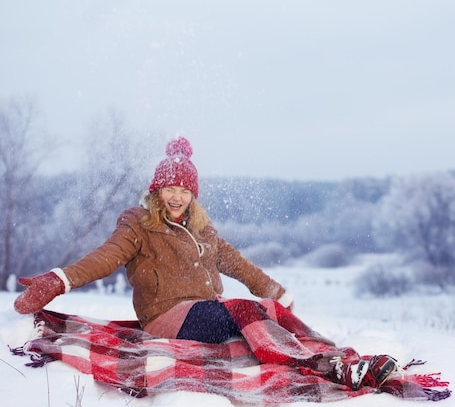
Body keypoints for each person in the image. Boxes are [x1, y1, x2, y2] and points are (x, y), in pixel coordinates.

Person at [14, 136, 399, 391]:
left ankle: (337, 359)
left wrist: (275, 292)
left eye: (184, 190)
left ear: (192, 194)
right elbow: (105, 257)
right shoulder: (138, 224)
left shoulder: (202, 230)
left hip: (203, 313)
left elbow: (237, 264)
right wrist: (60, 279)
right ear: (156, 190)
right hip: (167, 316)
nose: (176, 197)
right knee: (250, 314)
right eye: (169, 189)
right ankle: (328, 365)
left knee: (265, 317)